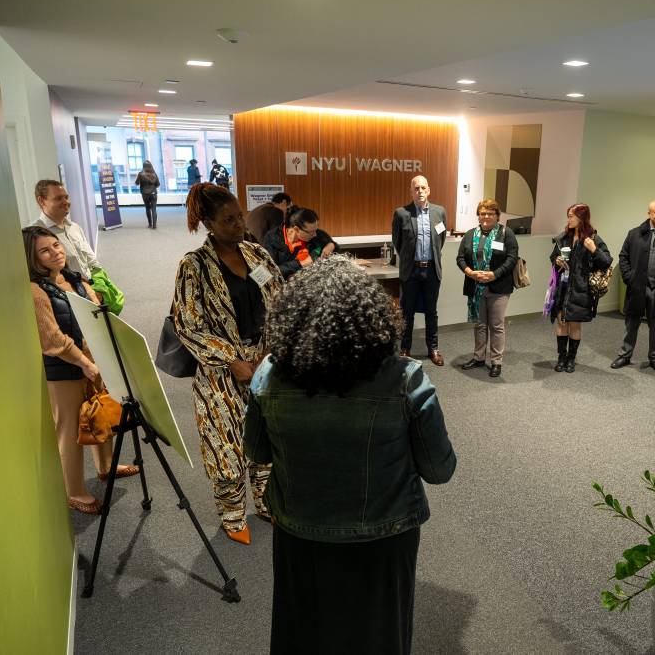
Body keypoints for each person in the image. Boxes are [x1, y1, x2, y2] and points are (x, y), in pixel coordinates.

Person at [243, 256, 456, 654]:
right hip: (384, 536)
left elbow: (255, 451)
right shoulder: (406, 379)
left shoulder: (268, 373)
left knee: (304, 629)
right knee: (378, 634)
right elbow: (440, 469)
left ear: (294, 317)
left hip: (298, 530)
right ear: (371, 316)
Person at [172, 183, 284, 545]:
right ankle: (233, 514)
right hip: (221, 372)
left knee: (266, 437)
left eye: (239, 217)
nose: (239, 225)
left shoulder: (258, 256)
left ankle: (267, 502)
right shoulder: (194, 266)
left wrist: (272, 350)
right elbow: (188, 324)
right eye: (229, 220)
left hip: (264, 366)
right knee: (227, 447)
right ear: (208, 222)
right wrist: (231, 359)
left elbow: (280, 303)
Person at [23, 227, 138, 515]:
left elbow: (97, 316)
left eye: (56, 245)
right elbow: (52, 340)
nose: (56, 252)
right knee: (70, 431)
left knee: (101, 413)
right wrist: (85, 363)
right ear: (32, 257)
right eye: (45, 250)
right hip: (64, 370)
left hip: (93, 361)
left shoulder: (75, 279)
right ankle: (74, 491)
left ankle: (106, 466)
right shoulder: (35, 291)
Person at [611, 199, 655, 375]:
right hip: (638, 286)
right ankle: (625, 355)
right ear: (649, 214)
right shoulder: (635, 234)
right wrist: (629, 278)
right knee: (632, 322)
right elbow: (623, 256)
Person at [546, 203, 613, 373]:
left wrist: (594, 250)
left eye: (571, 216)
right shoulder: (563, 237)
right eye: (568, 215)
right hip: (563, 286)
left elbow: (606, 262)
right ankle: (561, 357)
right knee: (561, 322)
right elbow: (553, 256)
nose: (568, 219)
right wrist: (557, 260)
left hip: (581, 289)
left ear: (581, 217)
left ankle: (571, 359)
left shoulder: (593, 239)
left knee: (575, 325)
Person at [456, 199, 519, 377]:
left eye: (490, 213)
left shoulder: (506, 234)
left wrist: (494, 274)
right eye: (482, 213)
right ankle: (478, 357)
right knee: (480, 324)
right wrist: (469, 272)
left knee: (496, 325)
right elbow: (460, 258)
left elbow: (512, 258)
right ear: (478, 215)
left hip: (498, 287)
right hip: (476, 285)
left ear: (497, 216)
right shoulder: (470, 234)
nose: (485, 216)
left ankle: (496, 361)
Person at [391, 175, 449, 365]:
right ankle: (405, 348)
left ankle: (433, 348)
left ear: (429, 190)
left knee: (431, 312)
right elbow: (397, 242)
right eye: (416, 188)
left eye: (423, 188)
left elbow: (440, 240)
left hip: (432, 270)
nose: (420, 191)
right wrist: (410, 260)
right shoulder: (401, 213)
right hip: (411, 271)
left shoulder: (439, 212)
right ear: (411, 191)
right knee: (407, 312)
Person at [30, 179, 102, 280]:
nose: (66, 202)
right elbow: (39, 275)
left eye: (66, 197)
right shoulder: (34, 234)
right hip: (69, 293)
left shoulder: (75, 228)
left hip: (92, 287)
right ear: (41, 201)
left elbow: (92, 261)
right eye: (58, 198)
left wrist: (101, 282)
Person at [261, 206, 337, 279]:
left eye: (315, 230)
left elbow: (333, 245)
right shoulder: (272, 239)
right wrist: (299, 263)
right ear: (296, 229)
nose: (315, 234)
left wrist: (331, 245)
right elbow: (268, 272)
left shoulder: (314, 234)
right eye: (311, 232)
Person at [135, 161, 160, 229]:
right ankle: (154, 225)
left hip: (145, 194)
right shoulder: (154, 174)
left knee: (147, 208)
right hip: (153, 193)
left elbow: (137, 183)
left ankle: (150, 224)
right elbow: (158, 184)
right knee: (154, 209)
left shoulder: (141, 174)